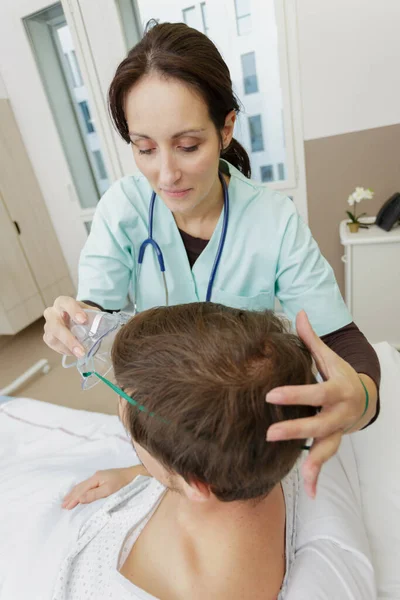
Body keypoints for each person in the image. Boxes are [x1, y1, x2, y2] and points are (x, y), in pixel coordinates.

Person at [44, 21, 380, 498]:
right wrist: (73, 322)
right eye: (143, 148)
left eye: (187, 146)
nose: (165, 173)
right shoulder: (124, 207)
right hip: (161, 426)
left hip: (239, 433)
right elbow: (94, 311)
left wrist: (361, 397)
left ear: (225, 129)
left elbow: (341, 340)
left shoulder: (272, 221)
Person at [57, 303, 375, 599]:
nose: (120, 403)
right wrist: (139, 473)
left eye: (125, 403)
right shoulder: (260, 441)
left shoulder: (164, 585)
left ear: (193, 481)